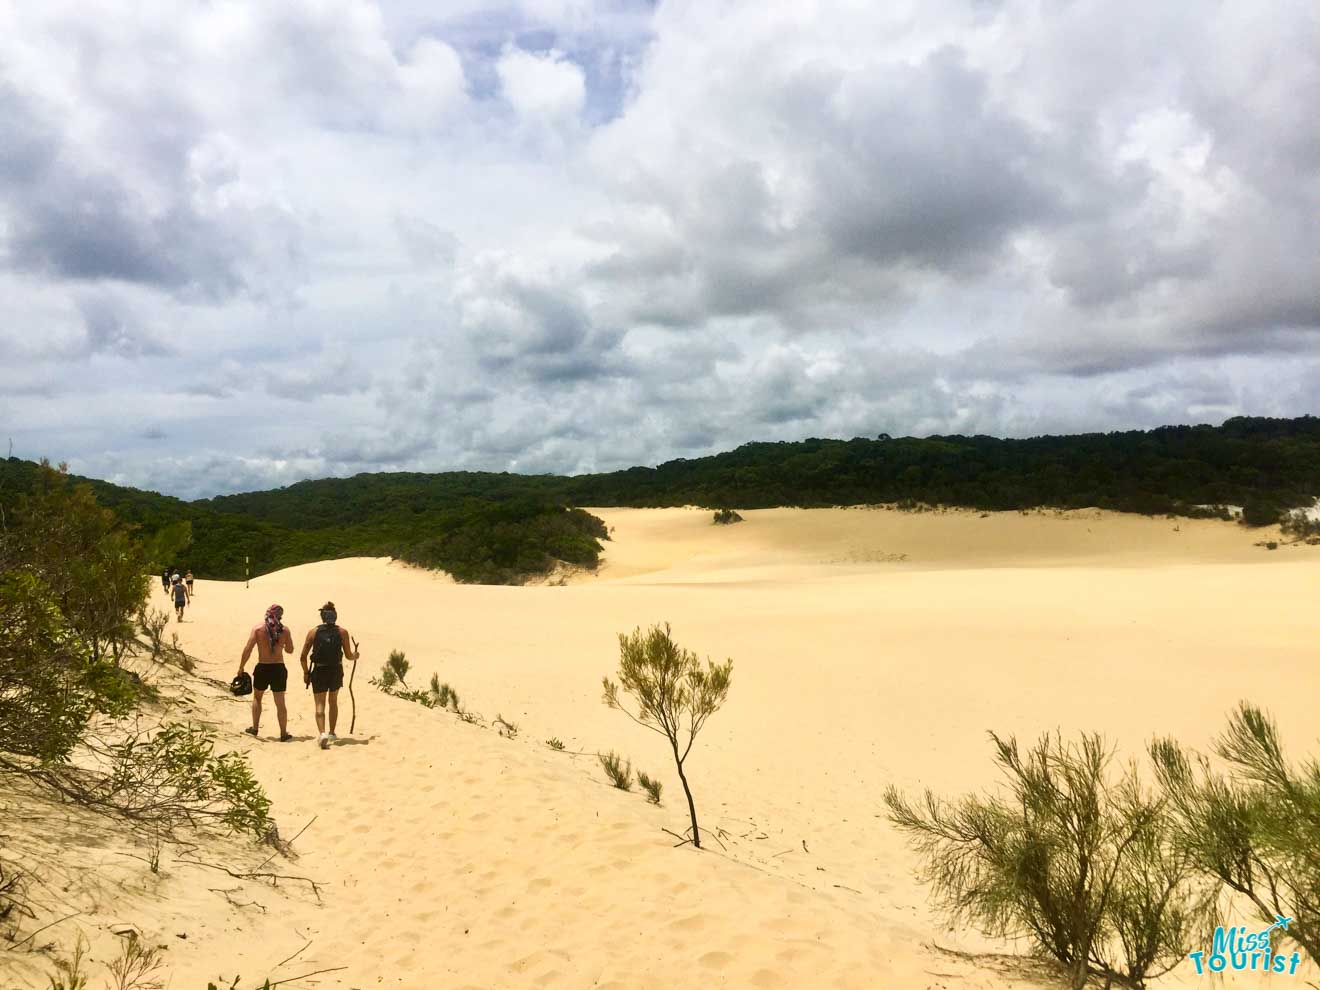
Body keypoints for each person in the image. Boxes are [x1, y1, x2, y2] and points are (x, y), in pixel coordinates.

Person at [300, 601, 359, 749]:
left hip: (319, 671)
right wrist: (355, 655)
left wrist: (306, 672)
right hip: (336, 670)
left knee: (320, 704)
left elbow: (303, 656)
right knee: (333, 701)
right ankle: (332, 732)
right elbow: (348, 656)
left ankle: (322, 733)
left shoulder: (313, 632)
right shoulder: (342, 632)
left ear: (322, 617)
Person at [237, 605, 294, 741]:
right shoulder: (284, 630)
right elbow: (290, 650)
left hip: (263, 667)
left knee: (257, 698)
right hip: (278, 668)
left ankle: (255, 728)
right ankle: (283, 733)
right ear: (280, 616)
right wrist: (282, 645)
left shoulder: (258, 629)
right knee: (280, 702)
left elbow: (248, 649)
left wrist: (241, 667)